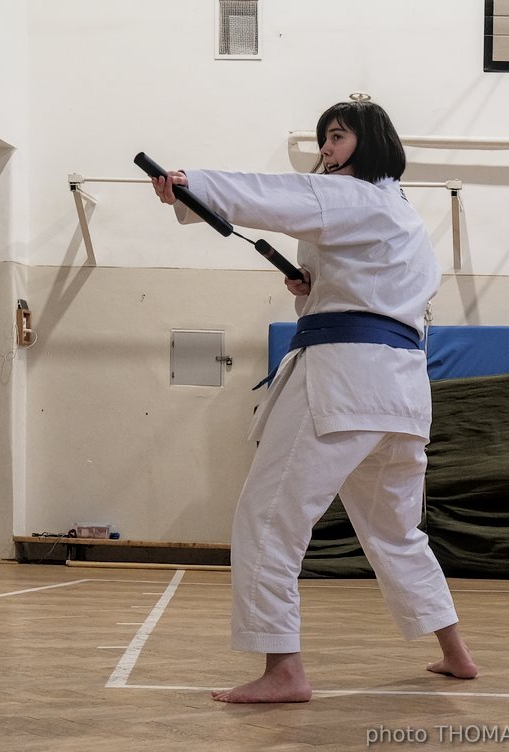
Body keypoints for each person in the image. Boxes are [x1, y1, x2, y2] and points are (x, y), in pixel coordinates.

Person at [149, 100, 477, 703]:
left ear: (369, 142)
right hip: (400, 391)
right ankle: (456, 653)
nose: (326, 149)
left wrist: (194, 185)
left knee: (269, 518)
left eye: (337, 136)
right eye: (325, 137)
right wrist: (312, 290)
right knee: (398, 530)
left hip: (342, 381)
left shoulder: (350, 196)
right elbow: (371, 294)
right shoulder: (404, 217)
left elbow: (273, 195)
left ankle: (284, 670)